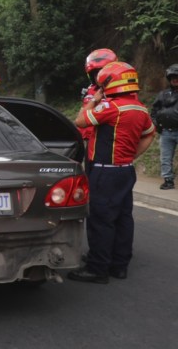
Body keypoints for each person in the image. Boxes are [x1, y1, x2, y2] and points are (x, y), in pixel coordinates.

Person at [70, 61, 155, 284]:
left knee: (101, 220)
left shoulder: (110, 107)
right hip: (126, 170)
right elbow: (149, 134)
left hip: (105, 172)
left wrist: (93, 102)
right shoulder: (140, 108)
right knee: (123, 218)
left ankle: (97, 269)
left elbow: (80, 121)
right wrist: (132, 156)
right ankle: (119, 265)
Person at [79, 49, 118, 169]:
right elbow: (82, 113)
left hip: (106, 141)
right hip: (88, 139)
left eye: (102, 72)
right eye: (96, 73)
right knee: (89, 174)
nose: (99, 76)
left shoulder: (118, 91)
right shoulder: (90, 90)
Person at [150, 64, 178, 190]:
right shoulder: (163, 94)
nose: (175, 79)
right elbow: (154, 110)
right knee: (165, 157)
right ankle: (168, 180)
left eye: (177, 77)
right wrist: (156, 123)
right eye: (172, 77)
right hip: (166, 132)